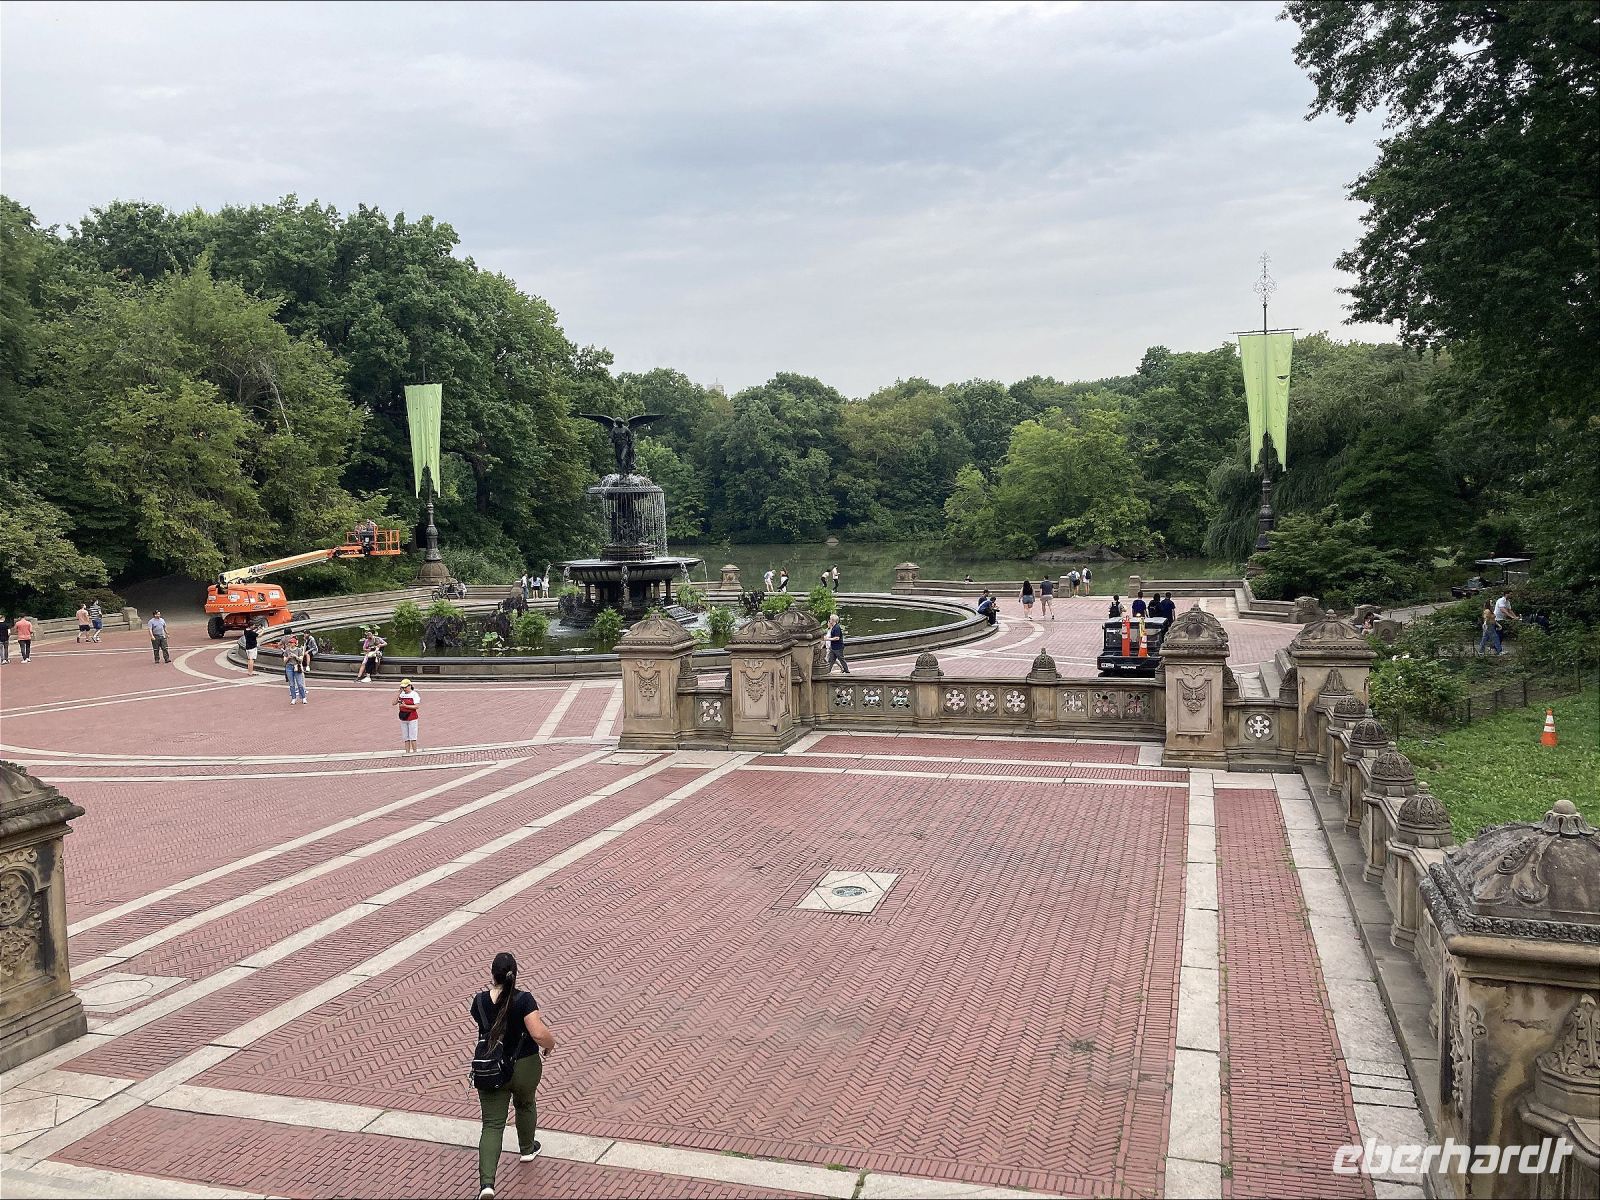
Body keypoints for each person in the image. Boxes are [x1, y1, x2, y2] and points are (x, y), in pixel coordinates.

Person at [472, 951, 556, 1200]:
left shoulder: (479, 1001)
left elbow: (484, 1023)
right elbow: (538, 1033)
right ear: (515, 975)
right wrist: (550, 1045)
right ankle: (527, 1149)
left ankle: (487, 1184)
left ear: (492, 975)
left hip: (491, 1068)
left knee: (492, 1125)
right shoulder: (524, 1001)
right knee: (525, 1103)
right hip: (524, 1066)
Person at [394, 678, 421, 752]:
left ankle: (415, 751)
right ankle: (407, 751)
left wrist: (406, 706)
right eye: (403, 687)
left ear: (410, 686)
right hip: (403, 717)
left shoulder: (414, 694)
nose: (404, 689)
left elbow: (416, 706)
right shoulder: (401, 694)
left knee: (413, 736)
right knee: (405, 737)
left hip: (412, 717)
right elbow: (394, 703)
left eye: (405, 687)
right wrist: (398, 693)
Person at [283, 635, 309, 703]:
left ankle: (303, 697)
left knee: (300, 683)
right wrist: (288, 657)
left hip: (297, 667)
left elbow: (301, 659)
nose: (291, 644)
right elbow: (284, 661)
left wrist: (295, 656)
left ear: (295, 643)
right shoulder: (287, 650)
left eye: (292, 642)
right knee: (291, 684)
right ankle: (293, 698)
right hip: (289, 667)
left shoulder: (299, 650)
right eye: (290, 642)